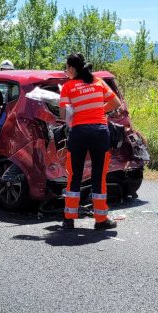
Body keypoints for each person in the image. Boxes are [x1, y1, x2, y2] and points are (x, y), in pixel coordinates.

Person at [59, 53, 121, 230]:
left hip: (79, 133)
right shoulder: (99, 82)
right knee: (98, 176)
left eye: (66, 68)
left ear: (72, 68)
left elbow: (63, 115)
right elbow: (115, 103)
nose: (66, 71)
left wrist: (73, 111)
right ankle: (101, 220)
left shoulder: (68, 86)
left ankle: (69, 219)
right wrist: (98, 110)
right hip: (100, 132)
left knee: (74, 175)